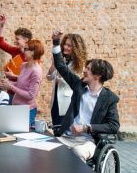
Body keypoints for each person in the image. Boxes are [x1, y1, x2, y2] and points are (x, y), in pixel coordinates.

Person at [51, 31, 120, 162]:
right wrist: (55, 42)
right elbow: (61, 66)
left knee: (77, 153)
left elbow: (114, 126)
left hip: (88, 142)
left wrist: (86, 128)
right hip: (66, 137)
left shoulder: (109, 98)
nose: (84, 70)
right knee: (46, 149)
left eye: (88, 69)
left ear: (97, 75)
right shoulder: (79, 85)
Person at [47, 33, 87, 131]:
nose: (65, 47)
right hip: (55, 100)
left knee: (64, 130)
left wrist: (60, 78)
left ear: (76, 48)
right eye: (65, 44)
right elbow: (49, 77)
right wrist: (53, 64)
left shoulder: (80, 65)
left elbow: (77, 83)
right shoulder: (62, 59)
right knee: (56, 128)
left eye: (69, 45)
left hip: (67, 102)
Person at [0, 39, 44, 126]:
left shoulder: (37, 71)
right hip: (16, 107)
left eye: (26, 49)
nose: (23, 50)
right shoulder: (24, 65)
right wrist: (8, 82)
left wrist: (11, 87)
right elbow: (22, 83)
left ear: (33, 52)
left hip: (27, 111)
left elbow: (31, 95)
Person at [0, 14, 33, 104]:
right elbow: (1, 43)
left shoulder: (32, 56)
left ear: (26, 40)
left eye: (17, 39)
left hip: (23, 93)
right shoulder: (15, 51)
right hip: (10, 91)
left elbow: (31, 78)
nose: (15, 41)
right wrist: (2, 26)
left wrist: (13, 76)